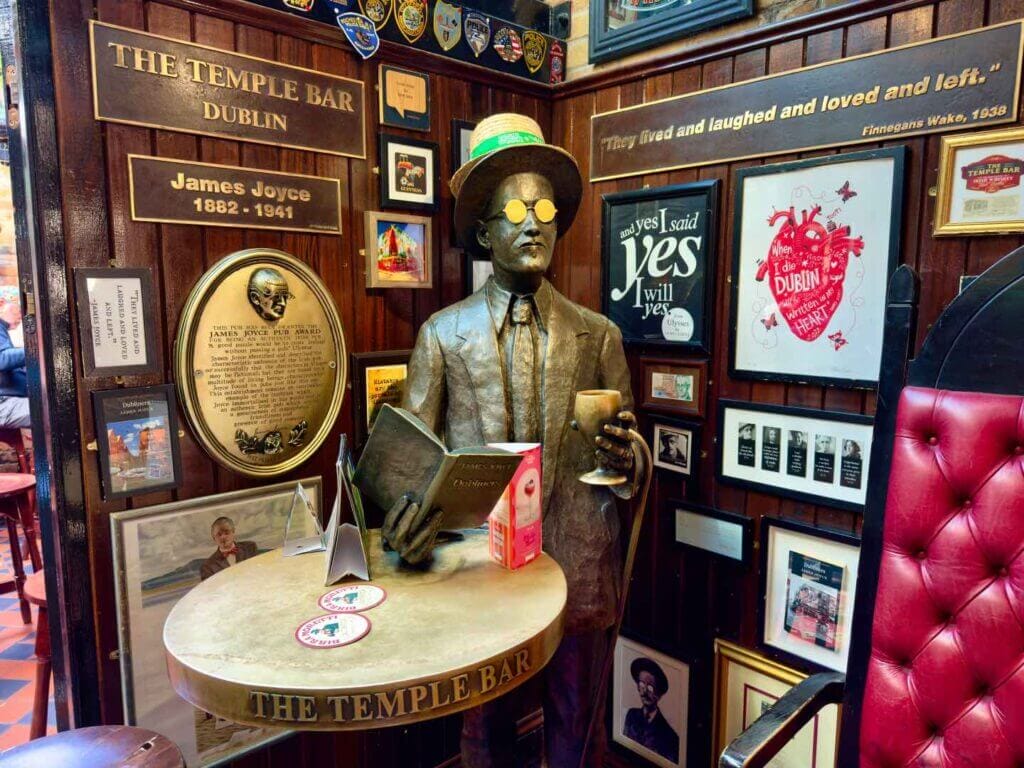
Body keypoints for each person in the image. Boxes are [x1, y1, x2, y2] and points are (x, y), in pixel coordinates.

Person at [385, 114, 642, 767]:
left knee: (577, 731)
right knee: (483, 736)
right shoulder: (443, 336)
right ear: (483, 232)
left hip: (580, 559)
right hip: (480, 567)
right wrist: (403, 521)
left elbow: (631, 452)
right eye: (516, 211)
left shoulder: (599, 335)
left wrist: (628, 459)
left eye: (545, 208)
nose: (533, 223)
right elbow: (405, 463)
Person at [623, 657, 679, 764]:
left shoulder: (670, 737)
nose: (644, 692)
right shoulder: (631, 715)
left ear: (659, 694)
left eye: (650, 688)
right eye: (642, 685)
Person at [0, 285, 28, 429]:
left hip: (8, 397)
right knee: (55, 410)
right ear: (2, 303)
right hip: (3, 403)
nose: (21, 316)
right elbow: (2, 359)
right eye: (19, 309)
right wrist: (34, 351)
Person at [199, 516, 258, 581]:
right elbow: (209, 590)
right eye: (219, 534)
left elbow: (259, 573)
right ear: (214, 538)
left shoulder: (250, 548)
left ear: (233, 532)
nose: (223, 537)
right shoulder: (207, 567)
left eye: (227, 532)